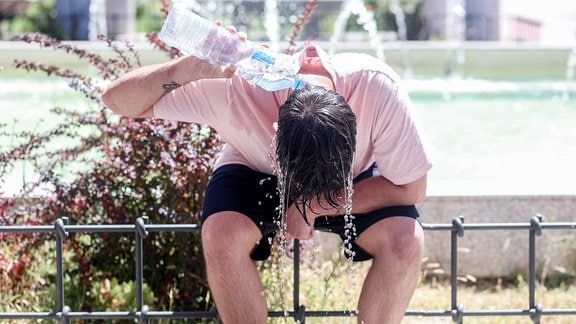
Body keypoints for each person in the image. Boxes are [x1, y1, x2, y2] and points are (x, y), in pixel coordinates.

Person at [102, 25, 433, 323]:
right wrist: (182, 70)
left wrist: (313, 205)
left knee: (405, 239)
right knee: (222, 234)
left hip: (349, 181)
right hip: (254, 168)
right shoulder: (237, 86)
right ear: (276, 133)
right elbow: (117, 100)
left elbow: (410, 190)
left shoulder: (378, 88)